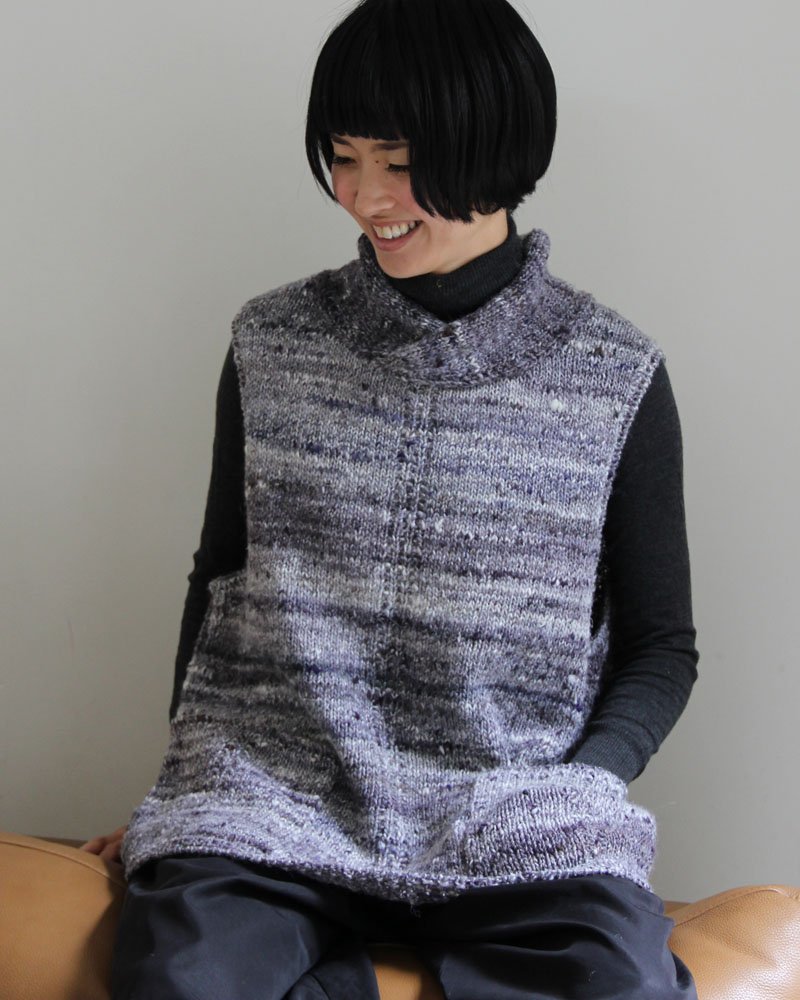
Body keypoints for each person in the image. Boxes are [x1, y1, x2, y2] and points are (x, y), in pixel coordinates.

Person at [82, 0, 700, 996]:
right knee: (186, 977)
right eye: (343, 156)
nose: (366, 196)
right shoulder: (272, 344)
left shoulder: (614, 375)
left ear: (494, 146)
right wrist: (188, 789)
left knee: (618, 981)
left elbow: (660, 645)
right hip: (270, 806)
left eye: (400, 160)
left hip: (514, 820)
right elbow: (223, 579)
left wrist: (583, 782)